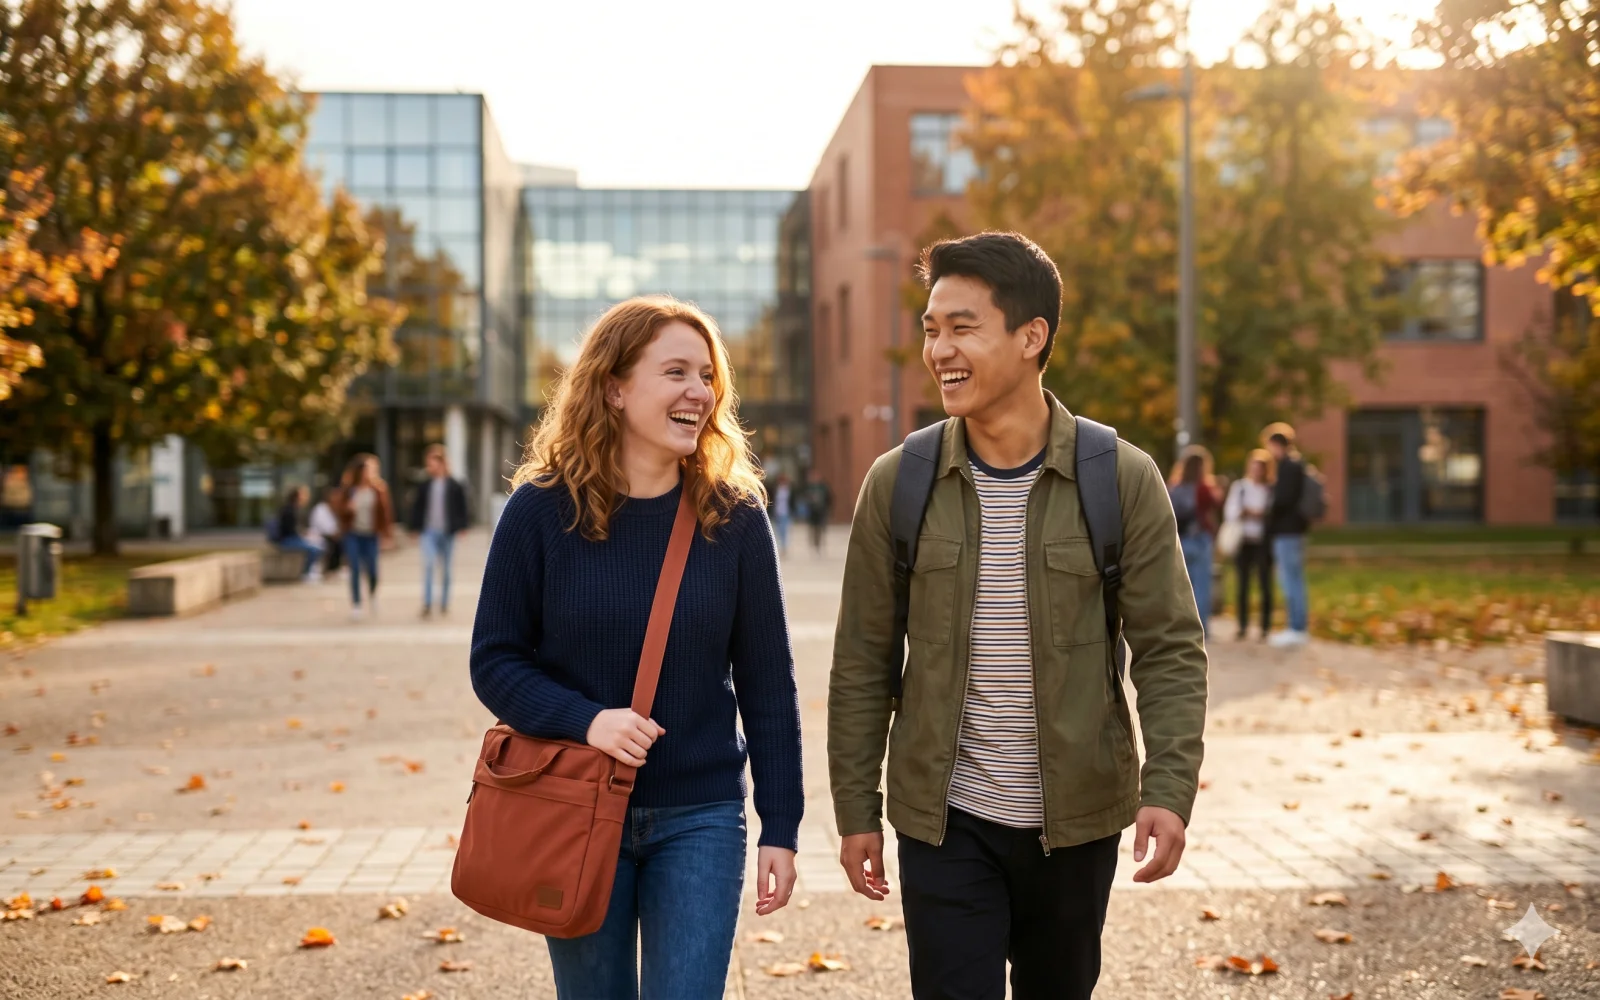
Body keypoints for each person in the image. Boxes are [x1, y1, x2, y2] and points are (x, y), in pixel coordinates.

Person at [829, 232, 1208, 1000]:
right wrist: (854, 808)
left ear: (1031, 337)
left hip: (1077, 821)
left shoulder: (1121, 479)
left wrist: (1168, 789)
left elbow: (1169, 648)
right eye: (932, 328)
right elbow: (864, 660)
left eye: (962, 326)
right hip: (944, 820)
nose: (939, 349)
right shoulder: (898, 483)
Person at [469, 295, 803, 999]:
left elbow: (769, 686)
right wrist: (589, 720)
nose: (699, 393)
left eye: (708, 376)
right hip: (571, 808)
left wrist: (783, 825)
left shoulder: (733, 518)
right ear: (615, 388)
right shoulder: (539, 511)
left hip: (701, 816)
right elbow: (494, 660)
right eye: (676, 372)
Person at [407, 443, 470, 617]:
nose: (429, 466)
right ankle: (427, 603)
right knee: (428, 565)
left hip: (448, 532)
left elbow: (462, 507)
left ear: (441, 463)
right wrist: (414, 528)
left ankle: (444, 602)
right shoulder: (425, 485)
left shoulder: (455, 485)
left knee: (447, 569)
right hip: (429, 532)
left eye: (432, 462)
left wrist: (463, 527)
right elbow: (417, 508)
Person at [1263, 422, 1310, 646]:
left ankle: (1296, 627)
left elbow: (1283, 500)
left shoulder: (1288, 466)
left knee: (1290, 579)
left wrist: (1268, 508)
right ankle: (1297, 626)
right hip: (1293, 530)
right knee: (1293, 578)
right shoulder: (1297, 464)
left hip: (1287, 530)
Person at [1168, 447, 1221, 635]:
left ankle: (1183, 627)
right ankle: (1201, 627)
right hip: (1200, 540)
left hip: (1180, 541)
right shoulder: (1204, 488)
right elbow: (1214, 506)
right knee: (1202, 585)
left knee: (1182, 587)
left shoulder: (1174, 487)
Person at [333, 453, 393, 620]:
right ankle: (357, 604)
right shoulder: (349, 489)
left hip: (371, 535)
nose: (372, 472)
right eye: (369, 468)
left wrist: (387, 535)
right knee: (355, 569)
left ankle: (373, 595)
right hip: (353, 534)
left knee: (373, 570)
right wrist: (347, 508)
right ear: (361, 471)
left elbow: (386, 514)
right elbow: (338, 510)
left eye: (374, 468)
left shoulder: (379, 489)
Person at [1224, 450, 1274, 640]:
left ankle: (1265, 626)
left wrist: (1259, 514)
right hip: (1244, 540)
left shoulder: (1269, 489)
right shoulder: (1240, 487)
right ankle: (1243, 625)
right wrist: (1246, 512)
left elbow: (1270, 513)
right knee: (1243, 584)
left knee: (1264, 584)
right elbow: (1231, 511)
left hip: (1261, 541)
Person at [272, 485, 323, 581]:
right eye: (303, 495)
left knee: (319, 544)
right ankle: (307, 573)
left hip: (292, 538)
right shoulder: (288, 510)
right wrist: (304, 535)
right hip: (287, 540)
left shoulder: (295, 509)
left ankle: (312, 570)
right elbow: (290, 530)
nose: (306, 497)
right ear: (297, 496)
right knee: (314, 549)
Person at [308, 485, 343, 578]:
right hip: (320, 536)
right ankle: (329, 569)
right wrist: (334, 533)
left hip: (330, 535)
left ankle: (335, 569)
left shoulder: (336, 510)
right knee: (333, 543)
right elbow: (323, 527)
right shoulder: (320, 509)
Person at [803, 474, 831, 554]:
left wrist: (826, 509)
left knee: (820, 529)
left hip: (820, 511)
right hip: (812, 512)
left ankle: (819, 544)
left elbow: (829, 499)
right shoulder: (810, 488)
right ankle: (813, 544)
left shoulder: (823, 488)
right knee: (812, 528)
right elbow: (806, 498)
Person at [770, 472, 793, 556]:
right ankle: (778, 547)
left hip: (786, 512)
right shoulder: (776, 489)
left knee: (784, 530)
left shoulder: (789, 490)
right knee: (777, 530)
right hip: (777, 512)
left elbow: (792, 501)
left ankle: (784, 547)